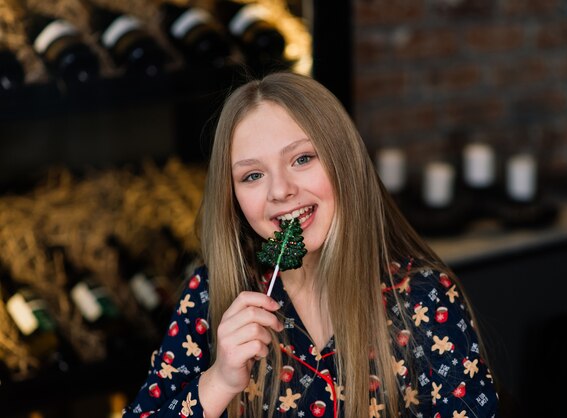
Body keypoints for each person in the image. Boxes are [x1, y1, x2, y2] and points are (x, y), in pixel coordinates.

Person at [122, 72, 500, 418]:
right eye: (252, 175)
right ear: (232, 195)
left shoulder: (424, 298)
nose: (281, 190)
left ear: (343, 162)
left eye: (302, 158)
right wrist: (219, 381)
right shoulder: (211, 295)